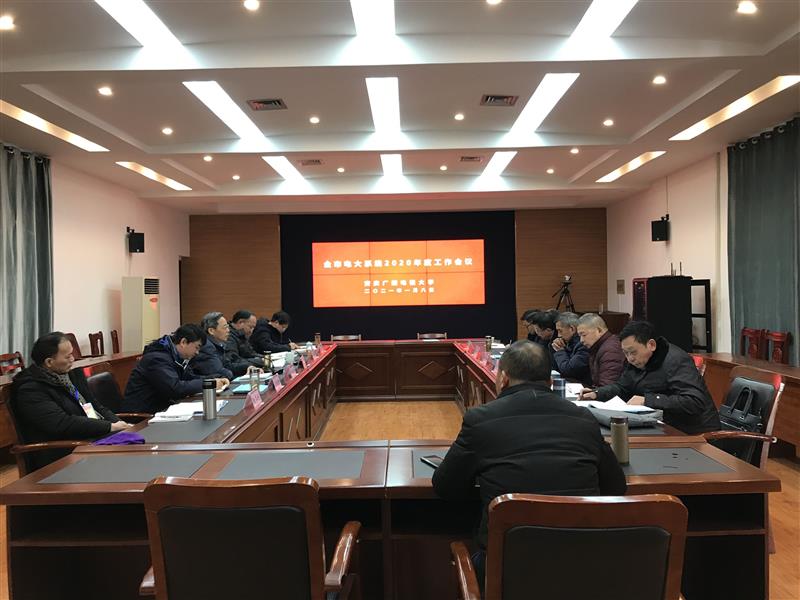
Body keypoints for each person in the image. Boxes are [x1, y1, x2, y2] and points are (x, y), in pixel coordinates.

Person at [432, 341, 627, 585]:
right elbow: (616, 487)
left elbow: (445, 487)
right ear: (551, 381)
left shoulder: (480, 419)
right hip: (582, 566)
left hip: (507, 571)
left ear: (503, 378)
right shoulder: (584, 418)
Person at [10, 332, 131, 471]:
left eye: (72, 354)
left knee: (134, 442)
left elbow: (94, 407)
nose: (73, 359)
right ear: (49, 362)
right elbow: (62, 424)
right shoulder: (31, 390)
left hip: (90, 438)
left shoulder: (70, 377)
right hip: (63, 453)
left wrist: (121, 425)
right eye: (67, 356)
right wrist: (110, 427)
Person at [580, 321, 720, 435]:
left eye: (633, 352)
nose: (630, 358)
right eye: (626, 353)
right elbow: (622, 387)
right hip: (659, 425)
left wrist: (648, 400)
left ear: (651, 345)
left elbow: (694, 402)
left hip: (693, 432)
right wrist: (597, 393)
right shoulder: (638, 361)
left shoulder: (676, 361)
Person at [122, 324, 228, 414]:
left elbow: (188, 378)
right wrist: (210, 384)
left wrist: (215, 379)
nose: (197, 352)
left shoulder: (174, 356)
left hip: (161, 410)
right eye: (197, 347)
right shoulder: (157, 359)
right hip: (142, 417)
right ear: (183, 342)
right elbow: (175, 388)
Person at [576, 313, 625, 386]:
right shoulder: (599, 346)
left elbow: (607, 386)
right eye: (580, 336)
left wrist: (594, 392)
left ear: (599, 330)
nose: (581, 340)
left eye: (584, 335)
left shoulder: (610, 350)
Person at [551, 311, 591, 385]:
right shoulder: (567, 342)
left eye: (560, 331)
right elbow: (555, 367)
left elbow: (569, 371)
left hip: (582, 386)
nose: (559, 335)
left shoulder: (583, 345)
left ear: (572, 329)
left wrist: (560, 351)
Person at [193, 312, 236, 379]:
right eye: (225, 327)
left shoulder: (219, 344)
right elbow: (219, 372)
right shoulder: (206, 346)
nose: (228, 330)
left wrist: (247, 367)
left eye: (228, 327)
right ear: (211, 331)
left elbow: (228, 366)